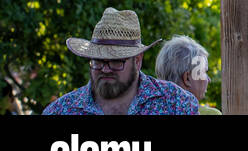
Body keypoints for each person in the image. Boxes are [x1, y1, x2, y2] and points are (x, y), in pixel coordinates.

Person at [43, 7, 198, 116]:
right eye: (98, 61)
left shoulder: (176, 103)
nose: (105, 69)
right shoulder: (62, 110)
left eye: (116, 61)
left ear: (137, 61)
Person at [154, 35, 220, 115]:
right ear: (187, 78)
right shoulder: (210, 113)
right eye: (204, 72)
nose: (208, 79)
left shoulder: (146, 109)